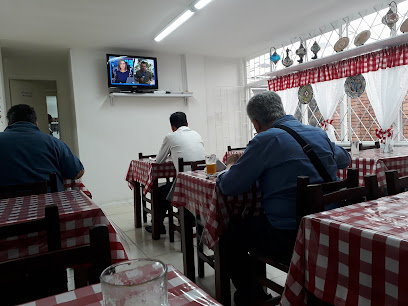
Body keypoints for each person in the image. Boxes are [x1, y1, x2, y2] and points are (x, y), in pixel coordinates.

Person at [216, 91, 351, 305]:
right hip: (327, 228)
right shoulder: (317, 132)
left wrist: (231, 166)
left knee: (230, 233)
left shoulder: (265, 139)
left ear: (256, 123)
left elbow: (231, 186)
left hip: (291, 236)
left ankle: (252, 298)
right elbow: (345, 160)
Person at [145, 112, 205, 234]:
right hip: (200, 185)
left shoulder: (170, 137)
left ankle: (159, 227)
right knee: (170, 187)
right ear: (187, 124)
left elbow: (159, 160)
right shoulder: (197, 135)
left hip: (184, 187)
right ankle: (191, 218)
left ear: (172, 127)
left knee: (159, 192)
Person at [0, 104, 84, 191]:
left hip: (6, 203)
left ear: (9, 124)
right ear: (36, 124)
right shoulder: (54, 142)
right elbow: (78, 172)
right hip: (49, 203)